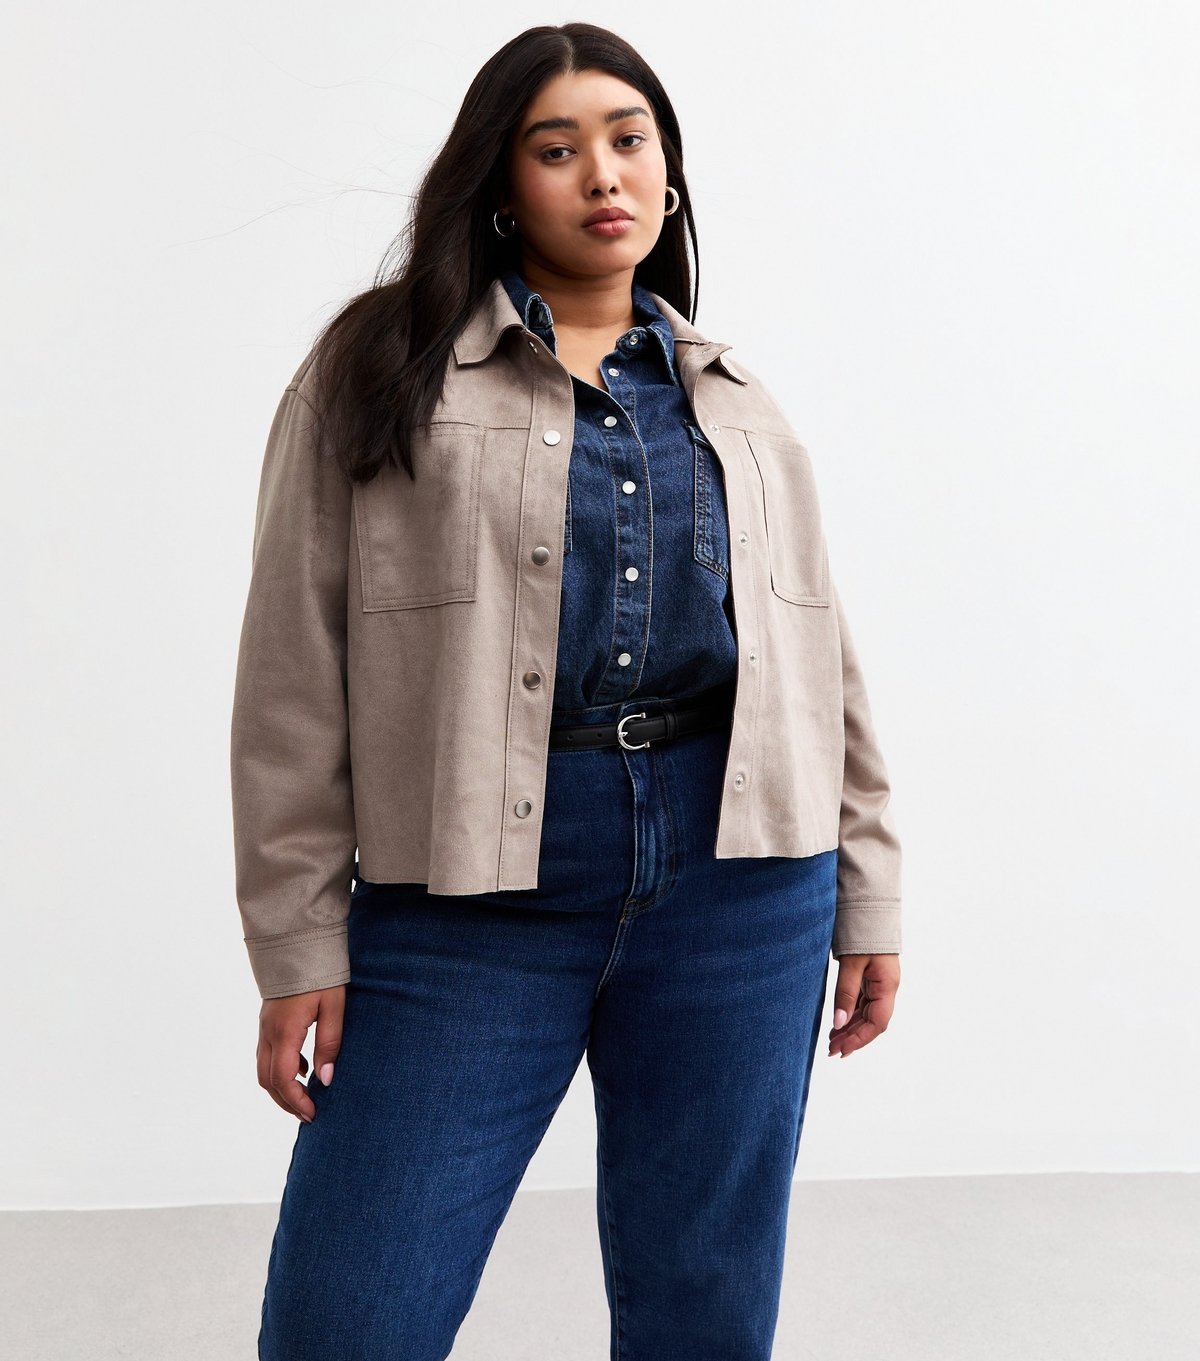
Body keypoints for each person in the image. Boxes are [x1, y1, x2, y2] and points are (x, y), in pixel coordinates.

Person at [230, 22, 903, 1361]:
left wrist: (868, 884)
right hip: (466, 894)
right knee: (347, 1321)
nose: (604, 172)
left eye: (629, 138)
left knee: (703, 1312)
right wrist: (297, 940)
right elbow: (292, 675)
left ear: (668, 172)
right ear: (499, 183)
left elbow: (822, 657)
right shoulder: (379, 374)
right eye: (558, 148)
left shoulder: (740, 403)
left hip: (741, 881)